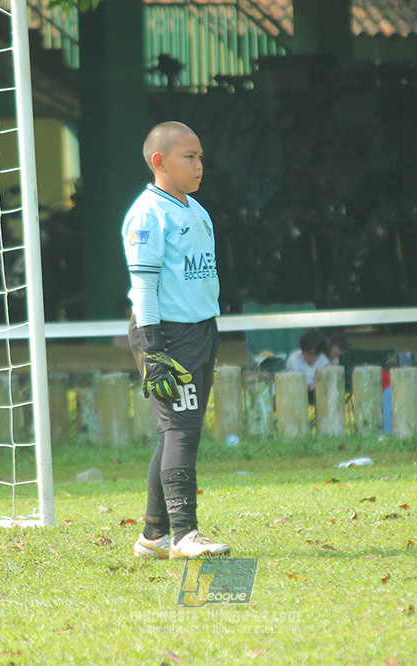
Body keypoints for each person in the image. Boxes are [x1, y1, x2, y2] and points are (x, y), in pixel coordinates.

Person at [124, 121, 230, 560]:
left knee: (176, 433)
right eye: (190, 156)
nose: (199, 164)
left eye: (201, 156)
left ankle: (153, 536)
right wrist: (153, 349)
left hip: (202, 329)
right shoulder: (148, 214)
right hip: (168, 334)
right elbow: (143, 288)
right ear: (159, 161)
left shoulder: (195, 209)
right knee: (181, 432)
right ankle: (186, 534)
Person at [286, 328, 330, 402]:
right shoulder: (293, 360)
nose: (312, 358)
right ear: (301, 348)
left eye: (316, 355)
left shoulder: (324, 362)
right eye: (309, 354)